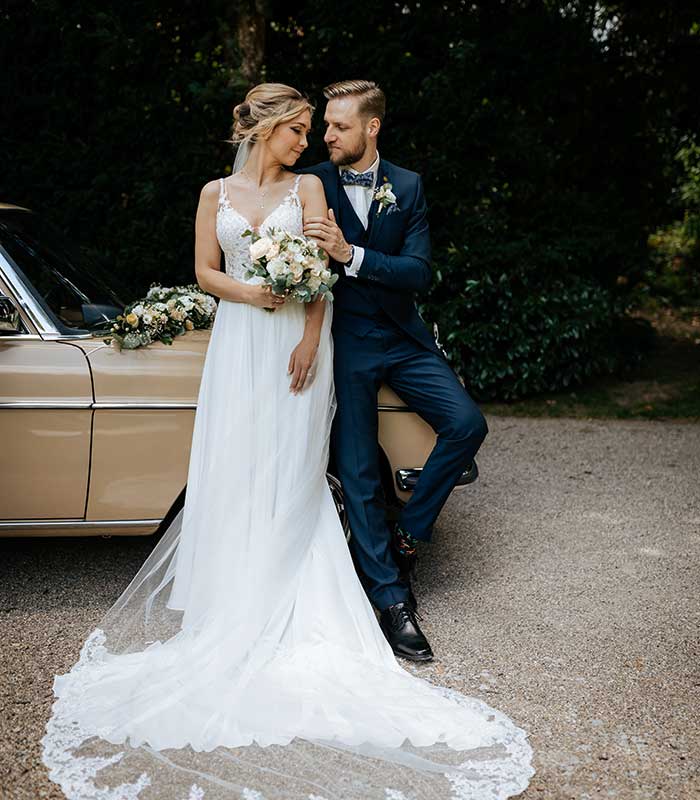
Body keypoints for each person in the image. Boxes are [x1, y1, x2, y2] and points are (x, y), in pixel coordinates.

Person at [41, 82, 533, 800]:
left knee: (357, 455)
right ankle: (277, 598)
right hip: (243, 343)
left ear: (365, 127)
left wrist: (319, 309)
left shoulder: (348, 187)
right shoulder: (231, 190)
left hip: (336, 340)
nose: (314, 141)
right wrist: (255, 293)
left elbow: (353, 276)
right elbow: (206, 271)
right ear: (268, 128)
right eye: (303, 129)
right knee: (260, 465)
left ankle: (380, 561)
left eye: (325, 129)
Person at [299, 80, 488, 661]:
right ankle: (389, 599)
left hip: (404, 339)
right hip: (348, 341)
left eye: (339, 126)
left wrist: (350, 255)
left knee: (467, 425)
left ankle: (408, 533)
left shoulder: (406, 186)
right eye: (326, 124)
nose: (326, 135)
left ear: (371, 127)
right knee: (357, 469)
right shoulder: (312, 183)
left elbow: (418, 272)